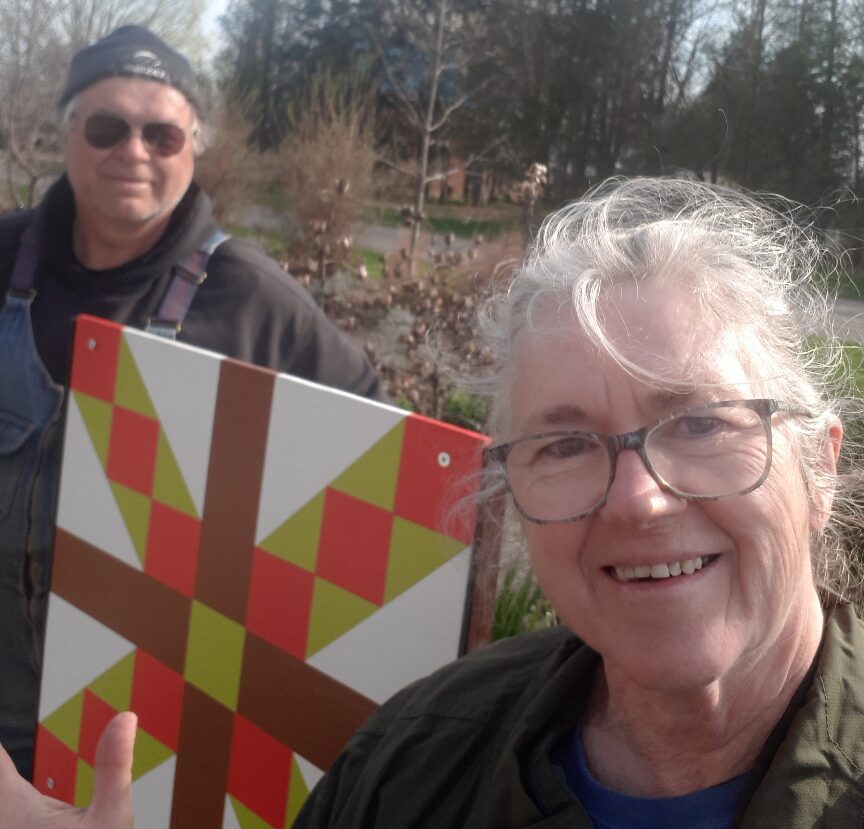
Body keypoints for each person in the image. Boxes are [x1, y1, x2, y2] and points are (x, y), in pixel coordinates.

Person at [2, 176, 863, 827]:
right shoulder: (409, 763)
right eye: (565, 444)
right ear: (514, 495)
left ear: (818, 469)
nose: (638, 499)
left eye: (701, 423)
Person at [0, 24, 383, 782]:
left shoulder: (251, 297)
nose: (133, 151)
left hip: (151, 739)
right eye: (107, 126)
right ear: (67, 131)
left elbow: (378, 458)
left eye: (163, 133)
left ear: (195, 146)